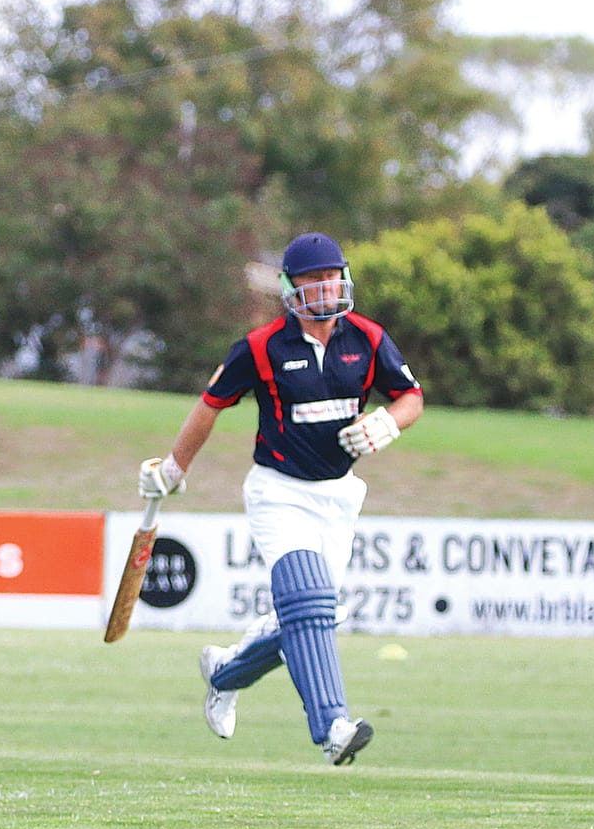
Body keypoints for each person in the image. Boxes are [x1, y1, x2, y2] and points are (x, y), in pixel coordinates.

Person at [137, 232, 424, 766]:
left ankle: (224, 674)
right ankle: (333, 727)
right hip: (279, 492)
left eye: (332, 277)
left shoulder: (367, 337)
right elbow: (210, 404)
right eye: (313, 280)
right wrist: (174, 468)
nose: (324, 289)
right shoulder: (261, 346)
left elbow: (410, 396)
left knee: (307, 615)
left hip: (339, 497)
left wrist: (387, 423)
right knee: (311, 603)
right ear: (290, 290)